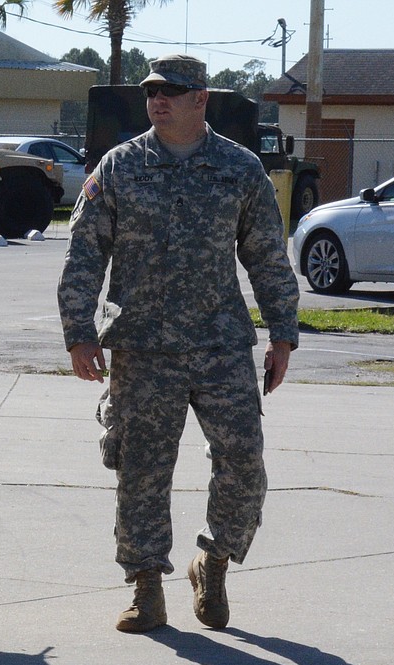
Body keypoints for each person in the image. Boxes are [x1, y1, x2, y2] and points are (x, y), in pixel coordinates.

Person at [57, 54, 299, 633]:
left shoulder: (240, 170)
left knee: (243, 462)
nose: (158, 99)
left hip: (220, 345)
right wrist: (78, 333)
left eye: (173, 90)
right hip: (142, 347)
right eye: (152, 91)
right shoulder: (119, 167)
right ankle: (146, 586)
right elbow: (84, 254)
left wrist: (282, 335)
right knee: (141, 470)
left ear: (201, 100)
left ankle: (212, 562)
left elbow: (267, 256)